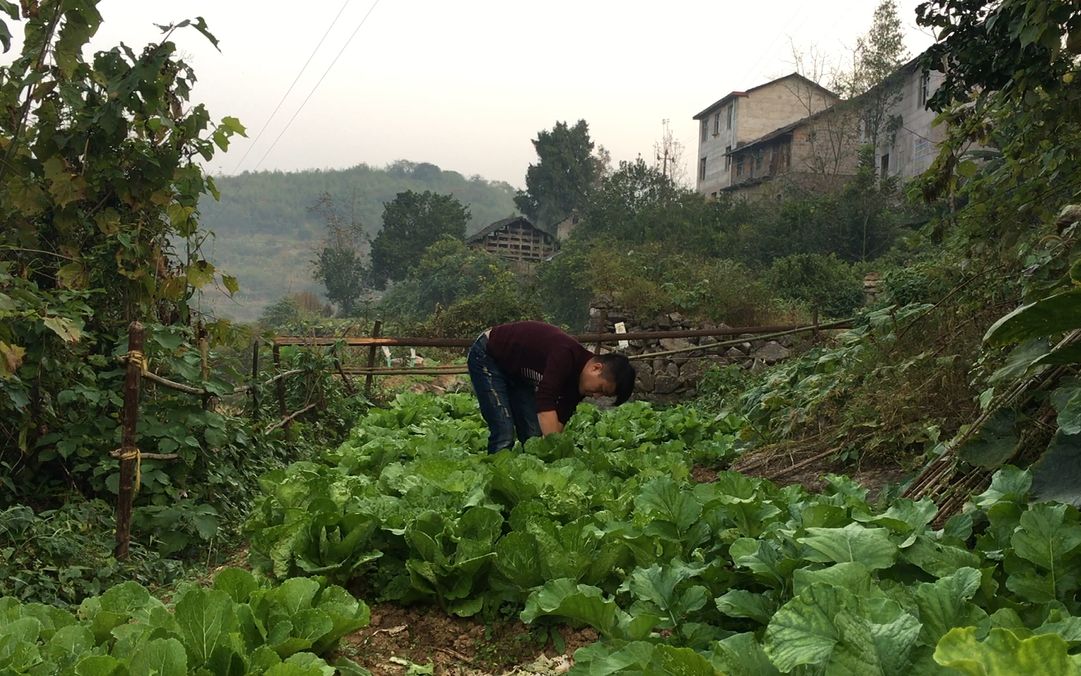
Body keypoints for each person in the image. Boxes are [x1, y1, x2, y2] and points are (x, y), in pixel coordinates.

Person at [467, 320, 636, 453]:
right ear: (596, 368)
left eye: (603, 395)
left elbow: (557, 424)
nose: (597, 396)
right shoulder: (565, 354)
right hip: (488, 355)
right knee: (504, 431)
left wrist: (552, 454)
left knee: (533, 434)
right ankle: (494, 480)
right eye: (601, 389)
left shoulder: (578, 386)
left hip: (517, 372)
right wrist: (552, 452)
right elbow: (545, 401)